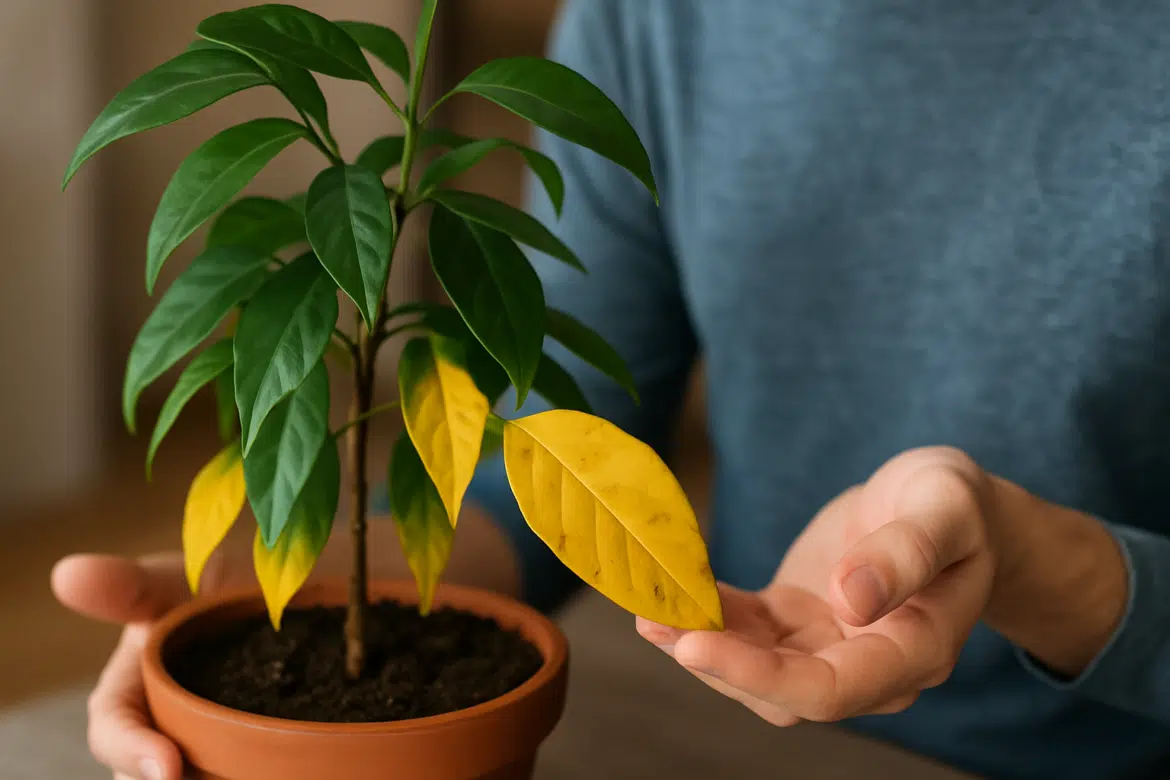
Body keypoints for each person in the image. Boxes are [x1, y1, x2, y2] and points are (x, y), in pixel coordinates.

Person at [52, 1, 1170, 778]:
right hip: (736, 714)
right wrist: (283, 581)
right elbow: (547, 452)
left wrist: (1035, 566)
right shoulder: (660, 15)